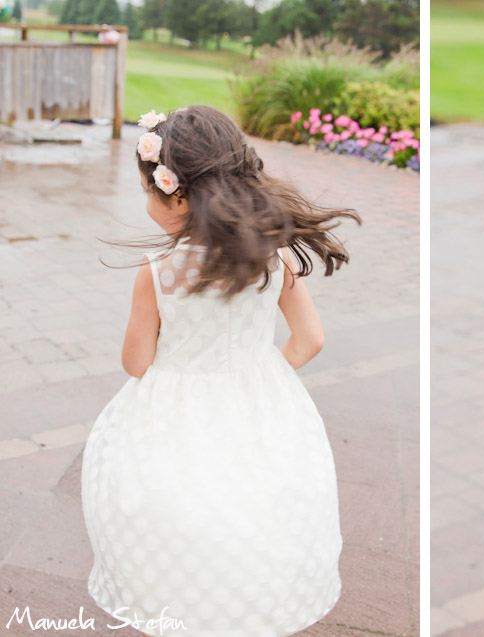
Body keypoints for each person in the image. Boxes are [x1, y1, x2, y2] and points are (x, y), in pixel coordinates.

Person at [80, 105, 361, 637]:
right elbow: (311, 339)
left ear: (178, 194)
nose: (147, 202)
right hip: (260, 394)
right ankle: (252, 605)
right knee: (259, 506)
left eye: (148, 191)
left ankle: (179, 604)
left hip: (173, 407)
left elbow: (136, 363)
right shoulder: (273, 259)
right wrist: (260, 375)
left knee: (176, 505)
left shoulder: (159, 270)